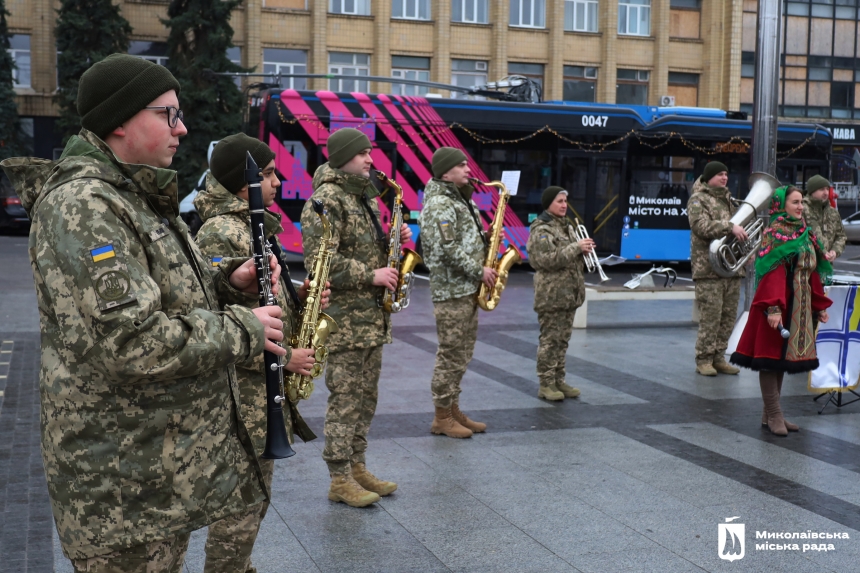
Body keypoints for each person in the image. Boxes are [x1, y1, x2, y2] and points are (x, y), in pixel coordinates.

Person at [0, 54, 286, 572]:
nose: (183, 128)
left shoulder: (134, 194)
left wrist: (229, 282)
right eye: (168, 114)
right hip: (120, 488)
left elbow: (163, 295)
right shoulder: (86, 204)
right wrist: (246, 329)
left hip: (154, 474)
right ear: (120, 120)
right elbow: (134, 343)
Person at [194, 133, 328, 573]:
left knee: (253, 498)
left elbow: (260, 303)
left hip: (258, 389)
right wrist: (285, 357)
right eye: (267, 174)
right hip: (243, 391)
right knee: (241, 505)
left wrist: (301, 296)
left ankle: (240, 564)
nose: (275, 182)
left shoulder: (249, 224)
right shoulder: (222, 231)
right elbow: (216, 323)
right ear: (242, 183)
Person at [300, 128, 411, 507]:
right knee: (345, 399)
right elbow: (320, 261)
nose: (370, 159)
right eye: (363, 153)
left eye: (370, 152)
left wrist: (393, 240)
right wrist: (371, 275)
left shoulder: (362, 197)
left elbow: (363, 248)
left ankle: (358, 466)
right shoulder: (327, 199)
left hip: (371, 319)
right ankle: (339, 477)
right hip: (346, 321)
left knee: (365, 398)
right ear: (344, 156)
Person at [730, 185, 832, 436]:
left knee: (781, 359)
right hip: (776, 306)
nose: (800, 207)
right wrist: (774, 308)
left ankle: (770, 414)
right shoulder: (775, 233)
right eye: (795, 202)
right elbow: (772, 274)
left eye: (801, 203)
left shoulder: (804, 233)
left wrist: (818, 306)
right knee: (770, 358)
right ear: (781, 206)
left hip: (799, 305)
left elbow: (812, 272)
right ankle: (775, 414)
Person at [419, 147, 498, 438]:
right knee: (450, 354)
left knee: (462, 354)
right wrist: (480, 271)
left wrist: (488, 238)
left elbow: (463, 241)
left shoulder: (463, 201)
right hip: (452, 291)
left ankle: (453, 409)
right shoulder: (440, 203)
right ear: (445, 172)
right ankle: (441, 416)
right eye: (461, 165)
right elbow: (447, 248)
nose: (468, 169)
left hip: (466, 289)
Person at [526, 186, 589, 401]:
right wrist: (576, 248)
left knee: (563, 341)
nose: (564, 205)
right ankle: (546, 383)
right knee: (550, 341)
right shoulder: (542, 229)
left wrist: (584, 252)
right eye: (559, 201)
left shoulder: (567, 226)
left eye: (565, 201)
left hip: (568, 294)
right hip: (551, 296)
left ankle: (559, 379)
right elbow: (545, 260)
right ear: (548, 204)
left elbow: (571, 257)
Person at [688, 161, 746, 377]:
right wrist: (730, 227)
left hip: (730, 269)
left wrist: (743, 254)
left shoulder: (730, 200)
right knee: (711, 317)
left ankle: (719, 357)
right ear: (709, 177)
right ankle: (703, 359)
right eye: (720, 174)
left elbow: (740, 233)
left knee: (728, 317)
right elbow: (699, 226)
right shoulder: (698, 199)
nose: (724, 178)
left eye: (726, 174)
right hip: (708, 269)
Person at [803, 174, 846, 263]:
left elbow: (841, 236)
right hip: (806, 264)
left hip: (826, 265)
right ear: (812, 191)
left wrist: (835, 251)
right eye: (822, 189)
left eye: (827, 189)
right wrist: (822, 252)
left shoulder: (832, 212)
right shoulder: (801, 209)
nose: (826, 193)